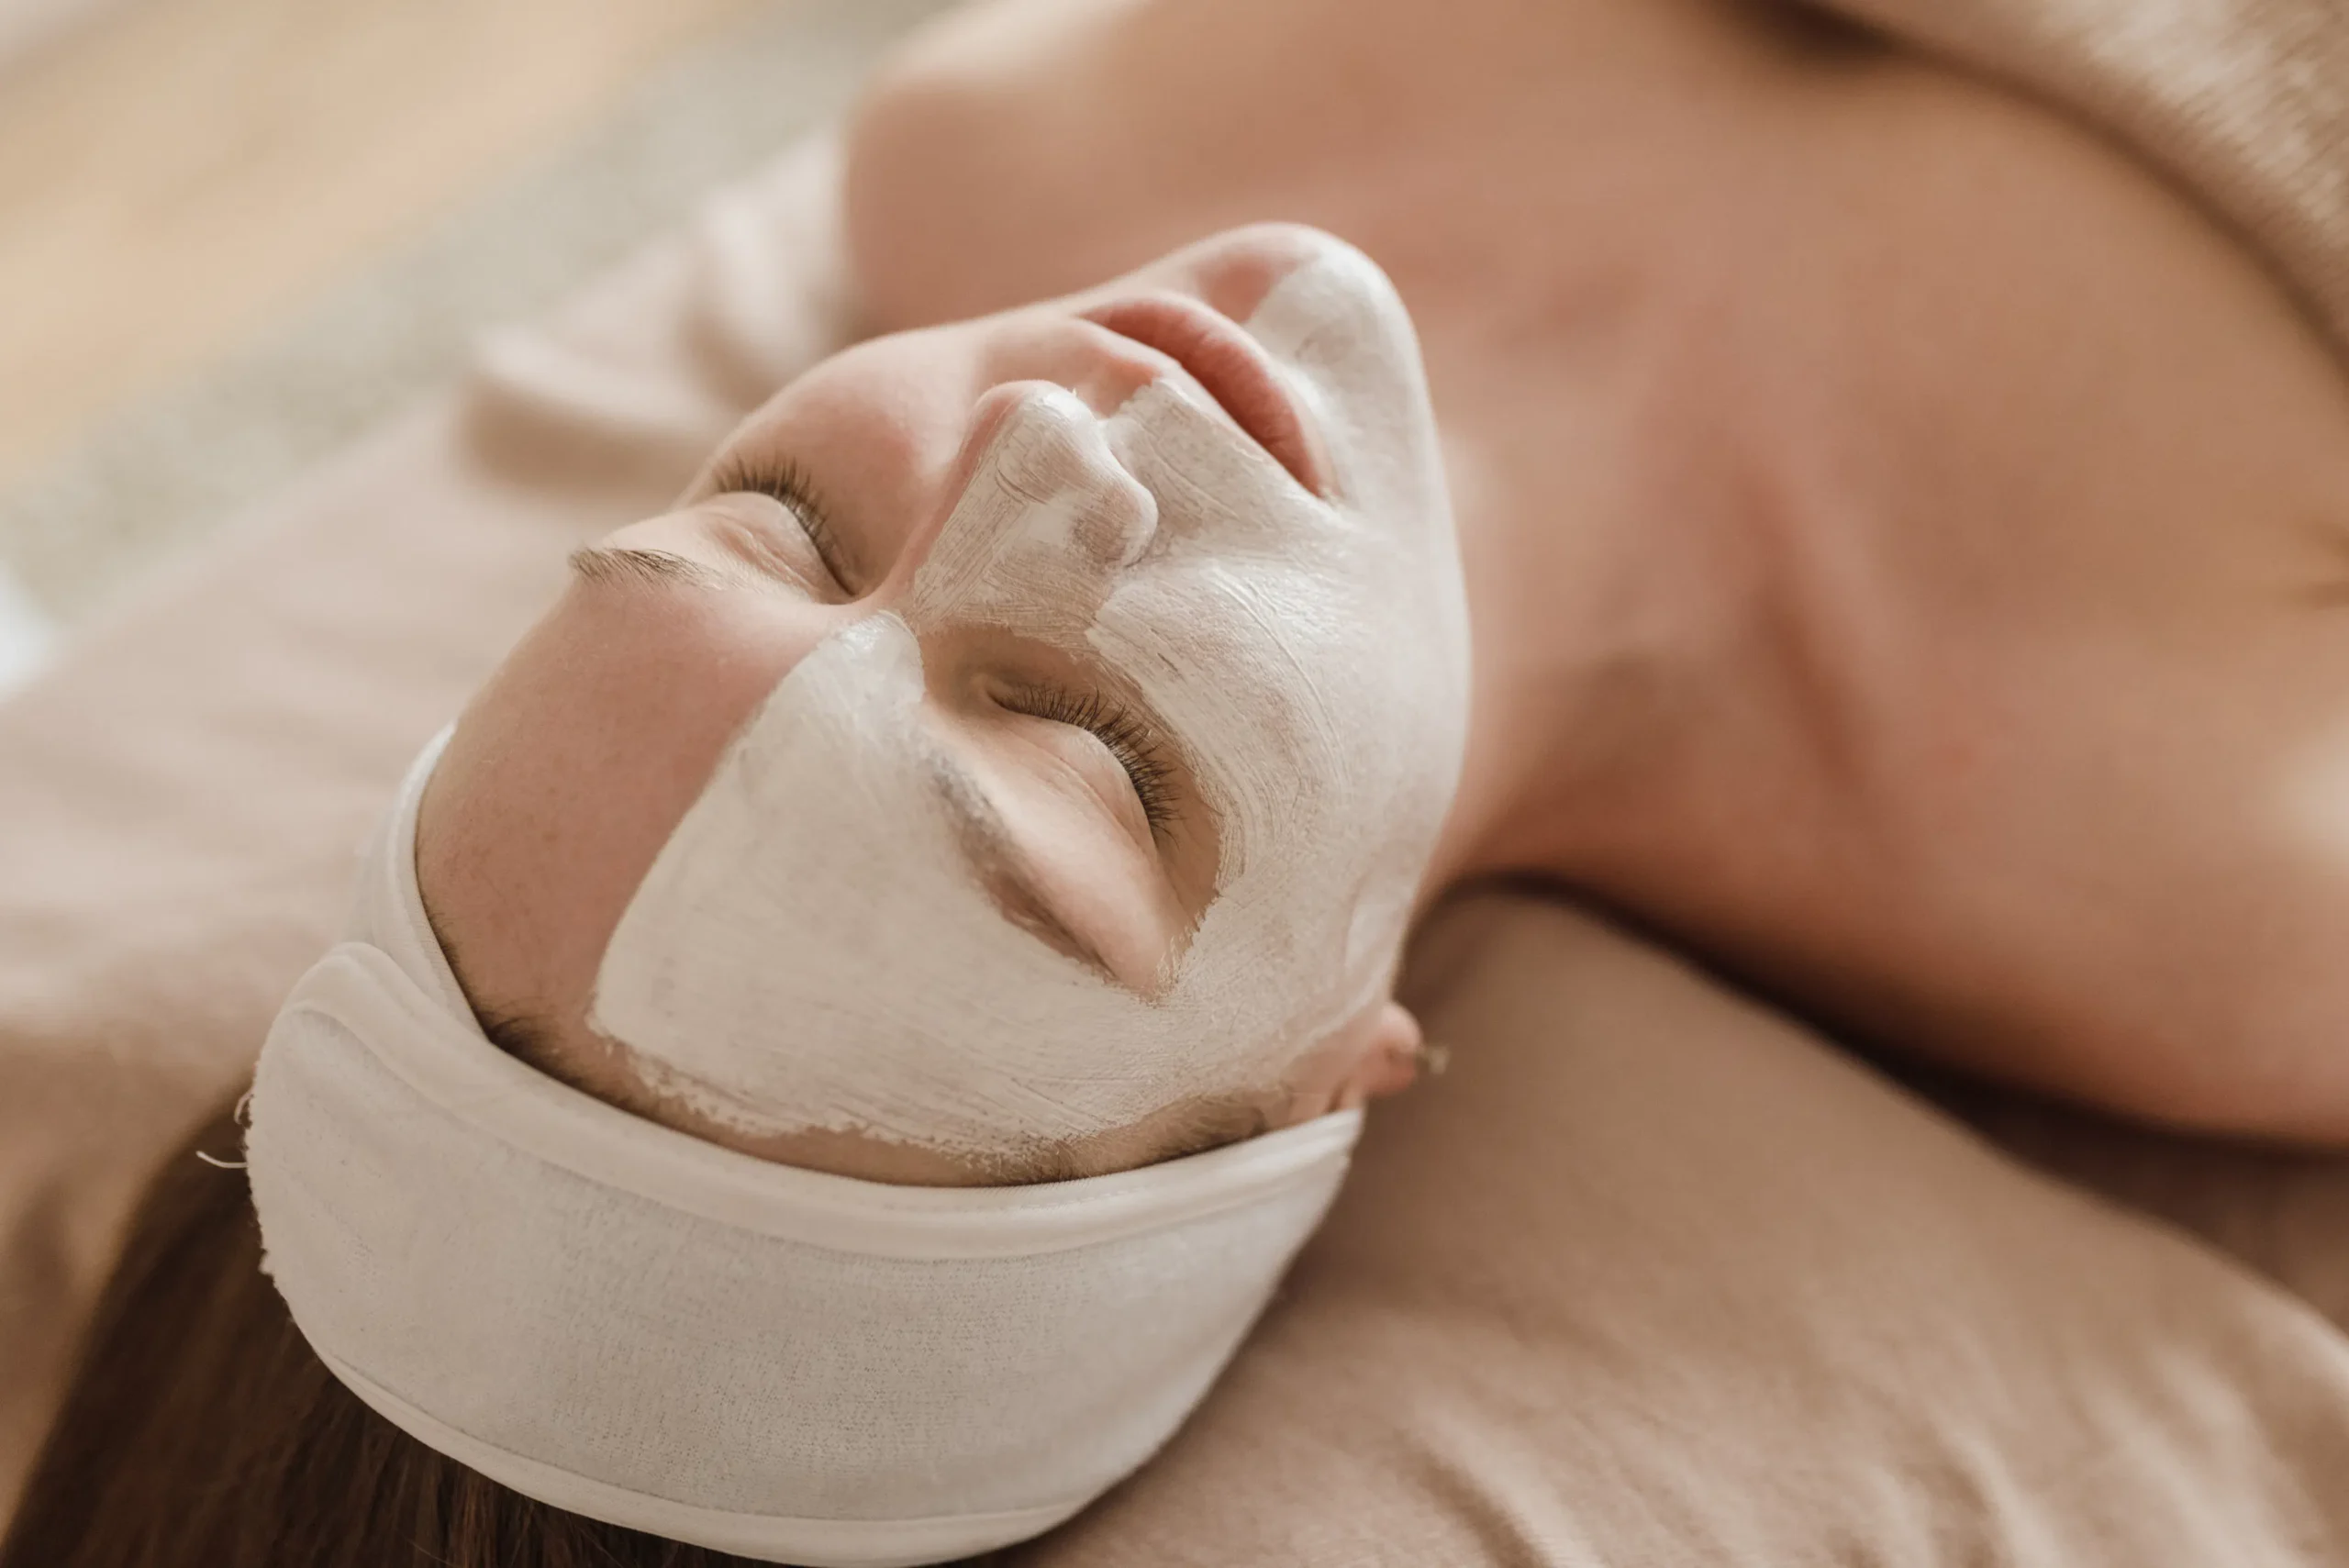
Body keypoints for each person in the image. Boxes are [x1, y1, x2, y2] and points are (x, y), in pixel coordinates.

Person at [9, 0, 2349, 1562]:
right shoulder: (2209, 872)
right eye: (1086, 751)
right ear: (1327, 1083)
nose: (1030, 448)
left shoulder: (1003, 149)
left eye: (781, 523)